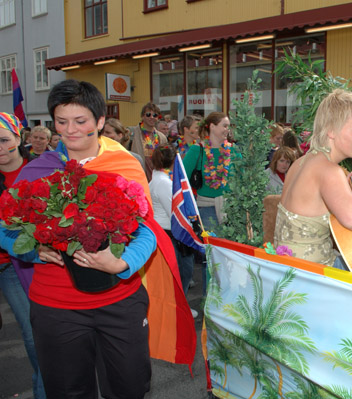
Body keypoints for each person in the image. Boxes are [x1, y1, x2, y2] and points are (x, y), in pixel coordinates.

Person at [0, 80, 189, 398]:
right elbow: (6, 230)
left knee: (129, 388)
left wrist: (123, 262)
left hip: (119, 302)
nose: (70, 130)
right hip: (56, 307)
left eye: (81, 121)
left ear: (100, 122)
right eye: (61, 122)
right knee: (68, 391)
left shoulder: (126, 166)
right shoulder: (36, 171)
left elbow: (146, 231)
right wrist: (36, 248)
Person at [273, 89, 352, 266]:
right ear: (331, 131)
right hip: (313, 278)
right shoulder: (329, 170)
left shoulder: (301, 162)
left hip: (288, 272)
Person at [0, 113, 46, 398]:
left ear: (19, 138)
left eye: (4, 139)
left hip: (16, 265)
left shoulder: (39, 170)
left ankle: (42, 388)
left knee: (33, 333)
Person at [149, 145, 198, 318]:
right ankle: (179, 308)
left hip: (168, 231)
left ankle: (178, 306)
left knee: (181, 270)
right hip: (171, 233)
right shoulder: (163, 183)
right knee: (182, 271)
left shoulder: (159, 179)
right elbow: (175, 212)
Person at [183, 111, 235, 231]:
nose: (228, 130)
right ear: (212, 126)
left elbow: (243, 178)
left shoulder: (233, 151)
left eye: (228, 126)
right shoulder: (197, 150)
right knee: (211, 247)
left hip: (230, 210)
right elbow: (182, 179)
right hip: (206, 209)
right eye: (225, 126)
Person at [130, 103, 168, 181]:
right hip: (138, 178)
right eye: (148, 114)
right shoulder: (132, 133)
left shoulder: (162, 137)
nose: (152, 117)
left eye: (155, 115)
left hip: (156, 179)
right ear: (142, 116)